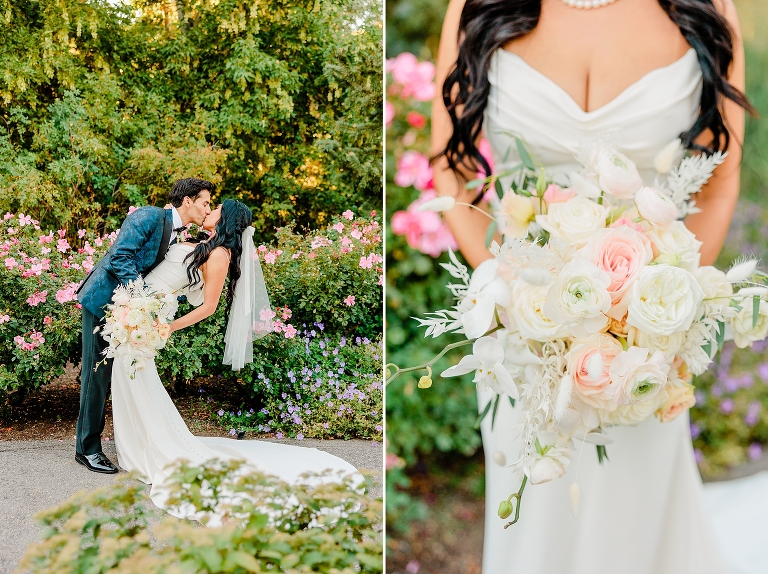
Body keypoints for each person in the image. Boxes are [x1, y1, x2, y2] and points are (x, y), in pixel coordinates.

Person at [430, 0, 756, 572]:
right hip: (524, 333)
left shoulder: (707, 8)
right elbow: (448, 170)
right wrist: (511, 291)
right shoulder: (476, 5)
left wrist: (669, 304)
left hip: (648, 339)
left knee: (635, 521)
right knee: (535, 524)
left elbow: (720, 177)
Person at [108, 199, 359, 520]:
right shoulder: (205, 245)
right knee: (129, 377)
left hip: (151, 321)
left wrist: (168, 326)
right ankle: (140, 444)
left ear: (224, 219)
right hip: (142, 311)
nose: (208, 211)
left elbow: (208, 306)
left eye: (215, 209)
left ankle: (148, 447)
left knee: (133, 375)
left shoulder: (219, 255)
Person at [75, 178, 213, 473]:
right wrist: (142, 298)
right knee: (96, 376)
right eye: (205, 202)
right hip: (102, 301)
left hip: (127, 308)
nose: (207, 209)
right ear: (187, 200)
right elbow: (120, 257)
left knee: (116, 375)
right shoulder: (148, 216)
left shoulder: (177, 232)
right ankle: (87, 450)